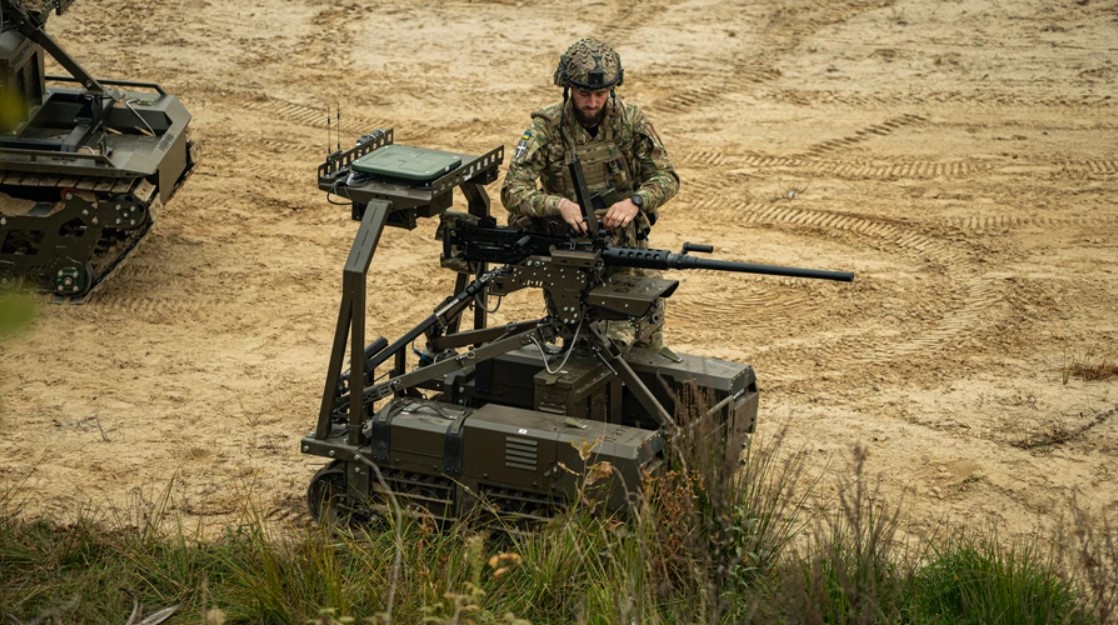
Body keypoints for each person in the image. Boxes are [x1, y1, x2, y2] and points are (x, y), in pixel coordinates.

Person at [500, 38, 680, 353]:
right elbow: (512, 190)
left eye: (601, 94)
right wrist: (558, 204)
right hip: (573, 258)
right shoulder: (546, 129)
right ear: (568, 88)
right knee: (590, 348)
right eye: (584, 94)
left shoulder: (630, 122)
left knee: (647, 334)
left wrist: (635, 202)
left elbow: (666, 177)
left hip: (627, 250)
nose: (593, 103)